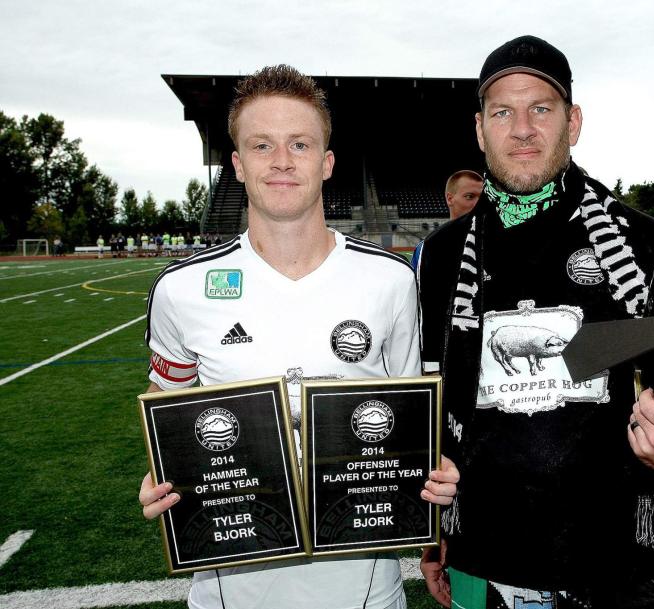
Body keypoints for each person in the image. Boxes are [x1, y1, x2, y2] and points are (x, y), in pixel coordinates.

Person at [138, 64, 458, 609]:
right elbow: (176, 429)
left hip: (363, 588)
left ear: (327, 162)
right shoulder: (181, 290)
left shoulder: (390, 281)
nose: (282, 161)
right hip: (227, 590)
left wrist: (435, 474)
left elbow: (410, 425)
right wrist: (161, 480)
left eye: (300, 144)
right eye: (262, 145)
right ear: (237, 164)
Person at [416, 36, 654, 608]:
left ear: (573, 122)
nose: (522, 128)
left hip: (618, 571)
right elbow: (435, 403)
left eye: (542, 109)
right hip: (482, 561)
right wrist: (435, 536)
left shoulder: (651, 243)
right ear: (480, 129)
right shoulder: (438, 257)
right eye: (503, 111)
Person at [411, 170, 483, 270]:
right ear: (450, 199)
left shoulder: (498, 242)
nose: (478, 204)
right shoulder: (428, 248)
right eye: (469, 196)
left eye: (482, 198)